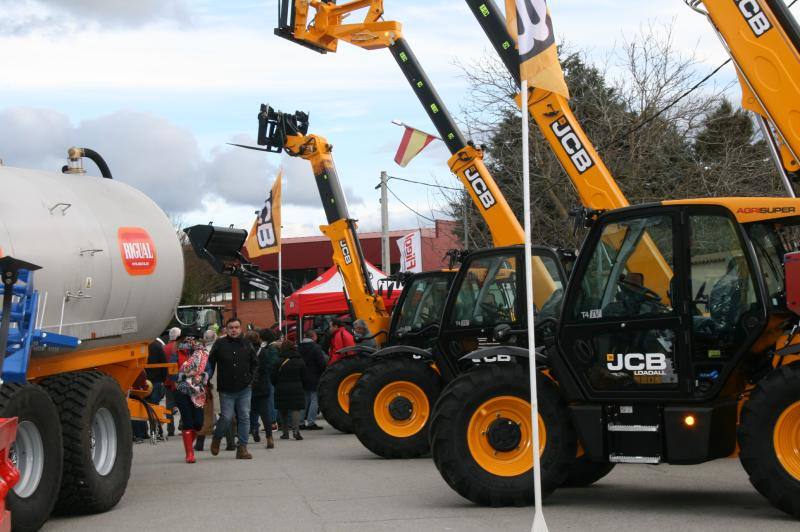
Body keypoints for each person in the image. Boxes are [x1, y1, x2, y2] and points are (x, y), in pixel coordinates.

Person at [208, 318, 258, 459]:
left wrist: (251, 380)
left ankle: (242, 448)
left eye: (236, 327)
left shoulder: (247, 343)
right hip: (226, 388)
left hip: (244, 387)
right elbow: (210, 363)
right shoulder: (220, 343)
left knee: (244, 417)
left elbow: (255, 363)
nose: (234, 330)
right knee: (227, 417)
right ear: (227, 329)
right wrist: (206, 378)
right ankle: (217, 438)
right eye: (231, 328)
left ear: (241, 329)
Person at [174, 336, 210, 464]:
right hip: (182, 391)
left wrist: (203, 376)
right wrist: (185, 375)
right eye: (187, 339)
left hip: (198, 392)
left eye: (193, 339)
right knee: (188, 421)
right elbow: (171, 373)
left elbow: (209, 369)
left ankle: (189, 443)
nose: (191, 342)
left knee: (199, 423)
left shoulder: (203, 354)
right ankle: (189, 453)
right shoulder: (176, 354)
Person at [133, 336, 168, 442]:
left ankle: (141, 433)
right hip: (156, 381)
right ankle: (157, 432)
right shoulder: (157, 346)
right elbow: (164, 364)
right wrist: (163, 379)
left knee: (139, 407)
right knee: (154, 407)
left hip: (141, 381)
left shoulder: (137, 345)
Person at [271, 339, 306, 441]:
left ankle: (285, 433)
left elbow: (273, 376)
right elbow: (304, 375)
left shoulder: (278, 361)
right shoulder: (299, 360)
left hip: (281, 387)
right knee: (296, 409)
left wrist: (276, 384)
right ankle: (296, 431)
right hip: (297, 386)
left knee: (283, 410)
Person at [251, 328, 278, 448]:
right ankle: (269, 437)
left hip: (250, 386)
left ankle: (254, 430)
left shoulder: (246, 351)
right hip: (263, 385)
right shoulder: (264, 352)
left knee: (250, 412)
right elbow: (269, 367)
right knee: (265, 412)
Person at [298, 330, 327, 430]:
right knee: (315, 400)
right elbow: (321, 363)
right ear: (313, 337)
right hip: (315, 376)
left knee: (305, 400)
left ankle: (300, 422)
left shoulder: (299, 347)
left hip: (302, 376)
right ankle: (311, 422)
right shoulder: (316, 347)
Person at [195, 329, 218, 452]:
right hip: (219, 385)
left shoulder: (201, 352)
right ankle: (230, 441)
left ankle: (200, 442)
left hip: (206, 386)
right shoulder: (220, 349)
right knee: (225, 413)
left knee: (206, 415)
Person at [163, 327, 182, 437]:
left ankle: (170, 429)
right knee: (183, 405)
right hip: (180, 380)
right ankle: (182, 425)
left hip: (167, 382)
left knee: (169, 407)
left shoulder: (164, 348)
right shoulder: (180, 347)